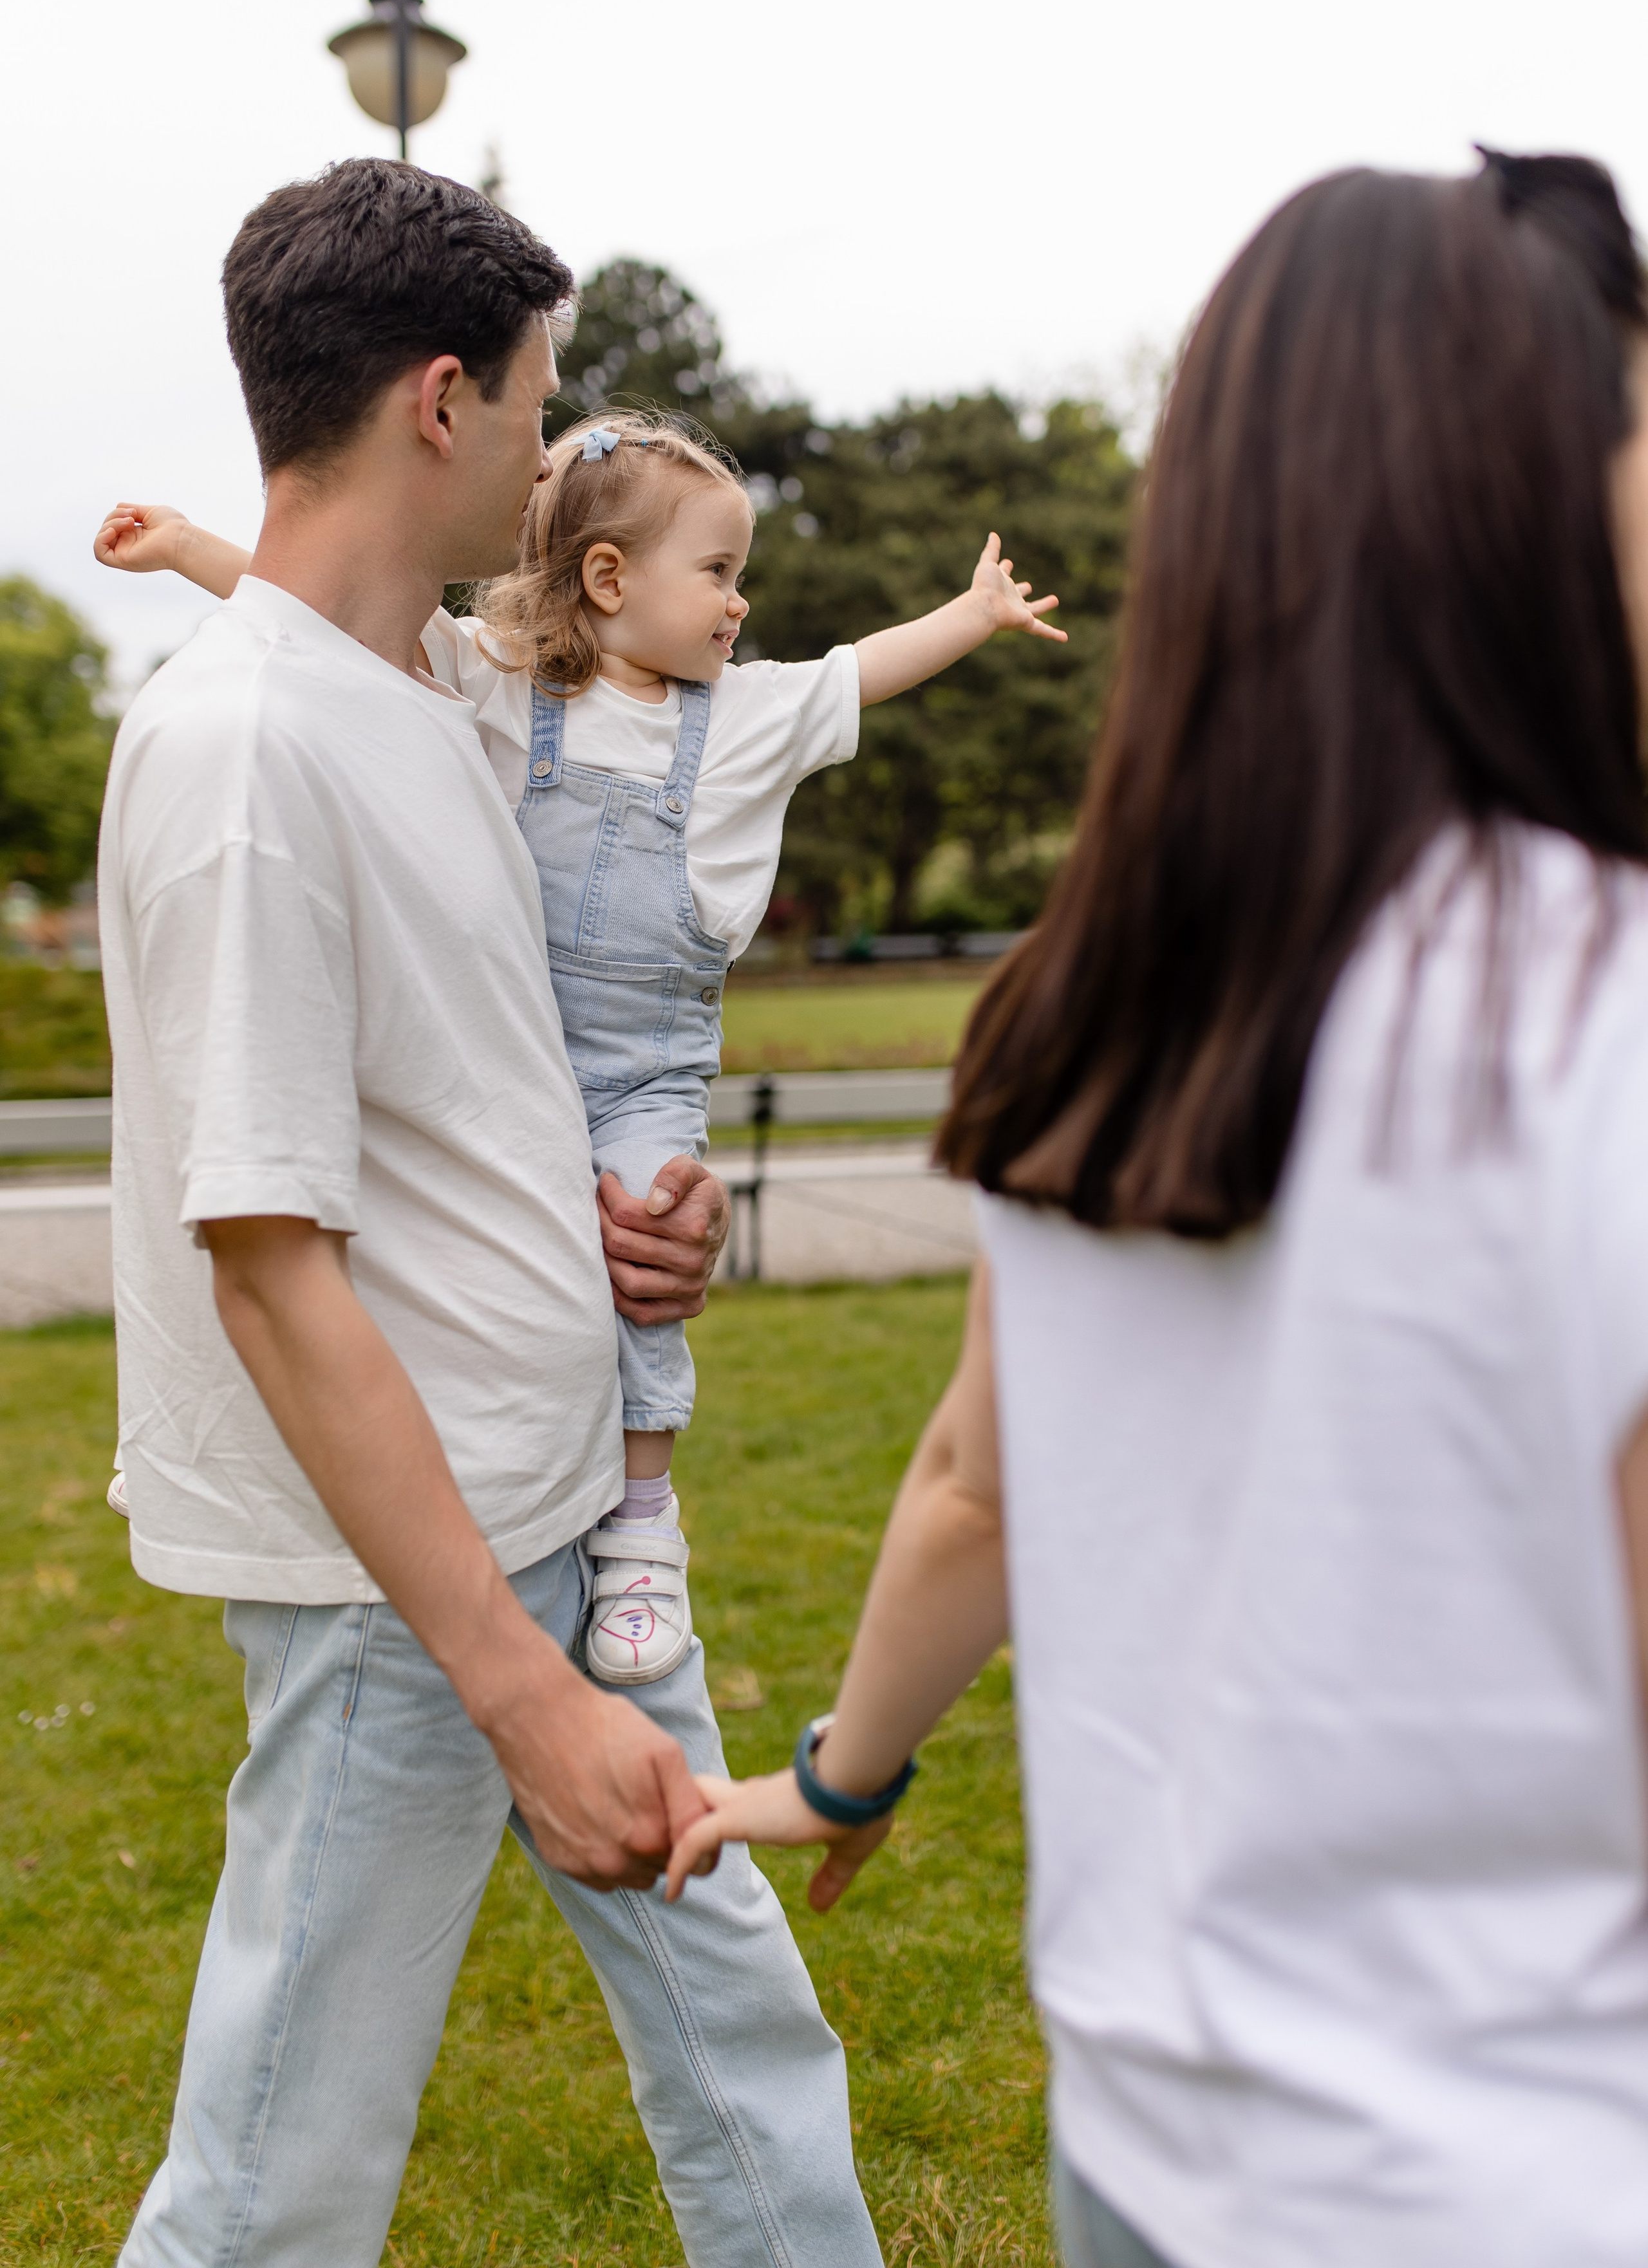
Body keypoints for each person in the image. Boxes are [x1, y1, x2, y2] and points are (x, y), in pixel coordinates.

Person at [667, 150, 1648, 2268]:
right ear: (1528, 494)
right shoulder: (1599, 1011)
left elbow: (973, 1485)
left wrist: (842, 1775)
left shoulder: (1089, 998)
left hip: (1152, 2156)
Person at [95, 156, 882, 2268]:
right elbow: (271, 1271)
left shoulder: (439, 699)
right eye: (538, 404)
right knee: (280, 2176)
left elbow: (493, 1083)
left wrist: (647, 1228)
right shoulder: (247, 758)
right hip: (408, 1601)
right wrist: (518, 1692)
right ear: (440, 400)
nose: (551, 455)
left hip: (574, 1515)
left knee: (748, 2040)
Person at [97, 408, 1063, 1686]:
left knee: (645, 1234)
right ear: (609, 579)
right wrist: (185, 548)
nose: (739, 601)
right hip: (516, 1059)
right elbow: (316, 620)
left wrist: (973, 613)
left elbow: (859, 670)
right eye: (717, 571)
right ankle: (410, 1488)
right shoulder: (501, 685)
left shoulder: (746, 716)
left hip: (648, 1072)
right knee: (503, 1269)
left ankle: (643, 1526)